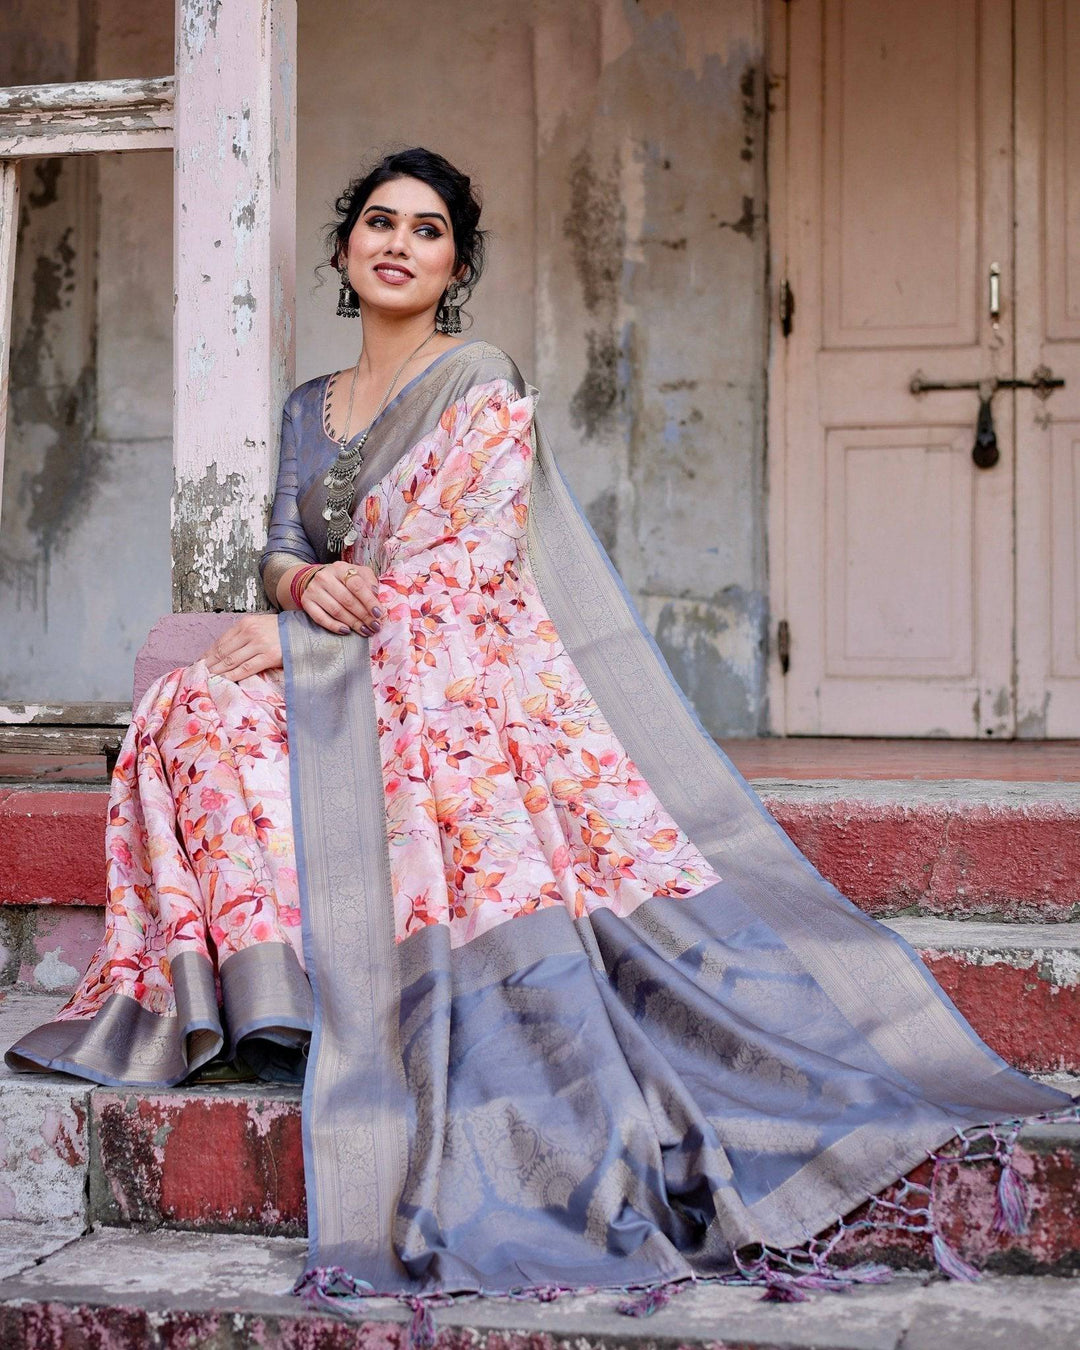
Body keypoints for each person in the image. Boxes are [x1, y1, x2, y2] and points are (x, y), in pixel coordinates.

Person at [6, 148, 1075, 1314]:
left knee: (251, 711)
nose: (398, 243)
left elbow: (474, 568)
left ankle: (371, 990)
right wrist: (302, 595)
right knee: (186, 709)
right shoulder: (309, 405)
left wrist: (319, 636)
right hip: (352, 653)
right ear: (343, 249)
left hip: (450, 677)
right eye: (379, 222)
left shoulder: (478, 381)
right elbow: (283, 543)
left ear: (456, 263)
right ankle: (274, 1001)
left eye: (426, 230)